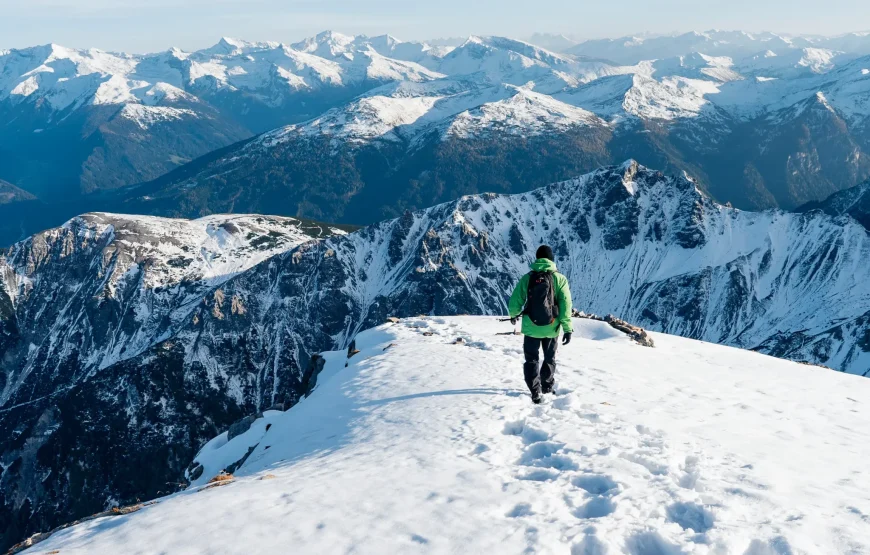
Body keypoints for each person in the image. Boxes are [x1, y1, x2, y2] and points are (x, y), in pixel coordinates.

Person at [507, 245, 573, 404]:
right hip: (552, 327)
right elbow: (565, 305)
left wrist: (513, 315)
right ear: (551, 259)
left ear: (537, 259)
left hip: (531, 327)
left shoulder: (527, 277)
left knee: (531, 359)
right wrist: (567, 328)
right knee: (549, 358)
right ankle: (547, 387)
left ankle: (535, 391)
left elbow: (516, 300)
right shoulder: (560, 279)